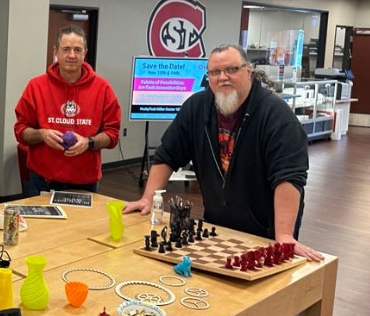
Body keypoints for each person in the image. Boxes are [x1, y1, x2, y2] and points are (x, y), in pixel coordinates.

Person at [123, 44, 322, 261]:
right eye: (215, 72)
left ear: (248, 71)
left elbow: (289, 177)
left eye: (231, 70)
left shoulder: (276, 115)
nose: (222, 77)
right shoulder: (196, 107)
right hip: (217, 226)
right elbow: (167, 155)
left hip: (266, 233)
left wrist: (284, 234)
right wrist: (147, 198)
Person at [14, 25, 121, 196]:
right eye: (66, 49)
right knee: (42, 224)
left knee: (83, 224)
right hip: (43, 182)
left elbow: (113, 135)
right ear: (56, 51)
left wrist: (89, 143)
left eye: (77, 50)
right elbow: (20, 131)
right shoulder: (36, 86)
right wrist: (42, 134)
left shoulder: (103, 88)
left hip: (85, 183)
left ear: (85, 52)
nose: (72, 55)